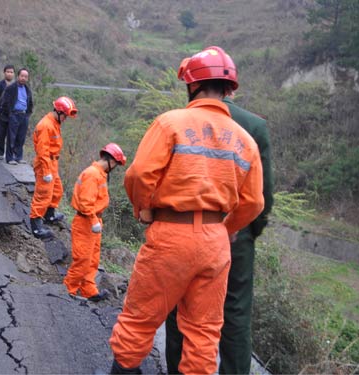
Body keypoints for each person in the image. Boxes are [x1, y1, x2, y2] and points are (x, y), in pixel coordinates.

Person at [108, 46, 264, 374]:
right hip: (215, 244)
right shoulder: (246, 141)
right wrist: (226, 227)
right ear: (228, 90)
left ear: (192, 85)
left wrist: (143, 209)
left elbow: (138, 175)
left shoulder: (171, 123)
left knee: (142, 315)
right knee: (204, 332)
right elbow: (254, 203)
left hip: (171, 236)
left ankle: (124, 370)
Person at [165, 92, 275, 374]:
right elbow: (263, 196)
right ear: (232, 88)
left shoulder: (184, 119)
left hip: (188, 226)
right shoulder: (254, 126)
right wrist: (245, 231)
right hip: (237, 234)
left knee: (181, 304)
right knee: (235, 312)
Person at [63, 143, 127, 302]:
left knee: (92, 260)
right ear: (111, 161)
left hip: (93, 221)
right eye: (116, 164)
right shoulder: (93, 174)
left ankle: (88, 290)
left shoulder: (99, 174)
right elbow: (85, 202)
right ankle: (68, 290)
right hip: (86, 221)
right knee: (83, 259)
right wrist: (93, 220)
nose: (115, 168)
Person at [29, 96, 78, 239]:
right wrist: (45, 171)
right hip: (45, 163)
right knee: (43, 194)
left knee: (57, 190)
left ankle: (49, 215)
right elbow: (42, 151)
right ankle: (36, 226)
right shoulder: (46, 125)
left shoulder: (54, 123)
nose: (66, 119)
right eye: (65, 116)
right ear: (59, 111)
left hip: (52, 163)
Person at [0, 67, 33, 165]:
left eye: (26, 77)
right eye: (22, 76)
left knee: (21, 137)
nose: (23, 78)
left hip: (24, 115)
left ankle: (18, 157)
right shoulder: (11, 88)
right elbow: (5, 102)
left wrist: (28, 113)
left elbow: (30, 102)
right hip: (14, 115)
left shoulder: (27, 89)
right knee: (11, 137)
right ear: (18, 76)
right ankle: (10, 158)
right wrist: (9, 114)